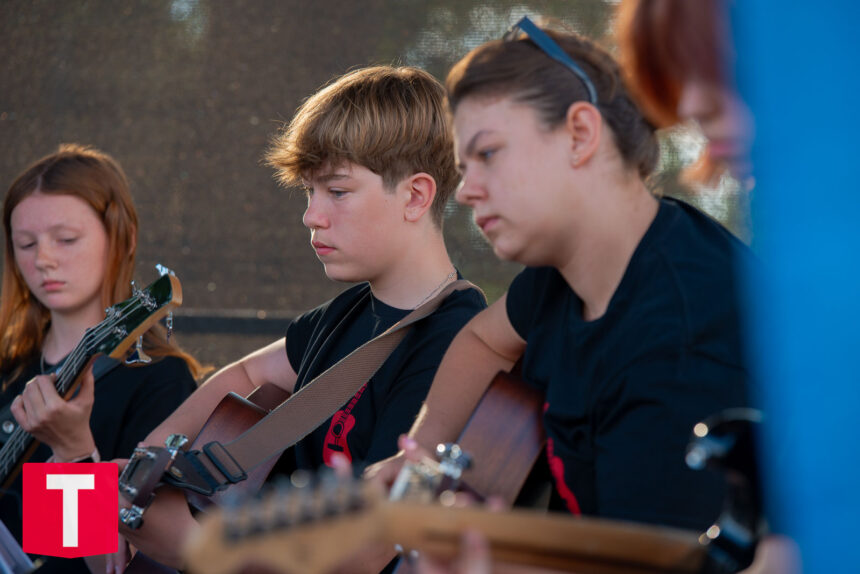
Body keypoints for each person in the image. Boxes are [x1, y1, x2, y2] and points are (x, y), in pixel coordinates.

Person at [367, 16, 751, 544]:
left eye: (488, 154)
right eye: (463, 165)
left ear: (580, 134)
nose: (465, 191)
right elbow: (482, 340)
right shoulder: (565, 274)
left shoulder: (683, 348)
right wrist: (421, 460)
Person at [119, 65, 487, 570]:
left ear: (415, 196)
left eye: (336, 191)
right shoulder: (343, 314)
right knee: (62, 518)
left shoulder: (452, 340)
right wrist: (138, 469)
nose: (311, 215)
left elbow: (373, 552)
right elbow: (247, 374)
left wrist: (192, 549)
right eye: (308, 192)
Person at [0, 144, 205, 574]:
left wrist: (70, 450)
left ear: (122, 237)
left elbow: (105, 563)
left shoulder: (161, 381)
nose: (43, 259)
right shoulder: (9, 369)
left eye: (66, 239)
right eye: (25, 243)